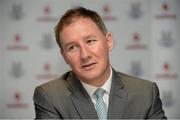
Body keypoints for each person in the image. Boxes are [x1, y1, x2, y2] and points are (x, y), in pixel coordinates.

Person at [33, 7, 167, 119]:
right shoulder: (50, 97)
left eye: (90, 41)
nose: (85, 55)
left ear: (108, 42)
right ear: (64, 56)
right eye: (72, 47)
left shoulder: (145, 93)